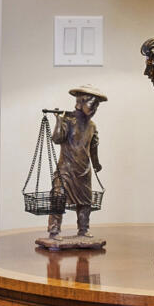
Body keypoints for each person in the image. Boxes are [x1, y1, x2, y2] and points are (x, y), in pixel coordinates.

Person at [36, 86, 107, 250]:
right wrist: (59, 121)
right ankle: (54, 231)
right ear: (80, 102)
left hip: (84, 170)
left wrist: (96, 164)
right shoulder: (68, 120)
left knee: (85, 202)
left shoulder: (92, 126)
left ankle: (83, 229)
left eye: (97, 106)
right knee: (58, 197)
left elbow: (93, 147)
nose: (95, 108)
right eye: (92, 104)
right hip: (66, 169)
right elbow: (57, 138)